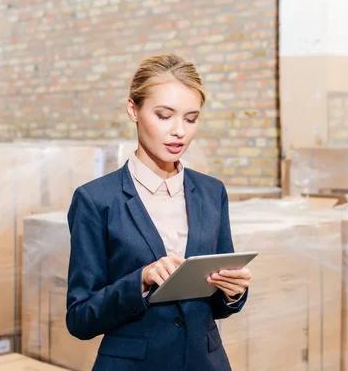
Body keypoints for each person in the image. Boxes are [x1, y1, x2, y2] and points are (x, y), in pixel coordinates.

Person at [65, 54, 252, 371]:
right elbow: (80, 318)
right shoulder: (96, 200)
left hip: (205, 362)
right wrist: (140, 279)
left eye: (191, 119)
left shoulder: (211, 192)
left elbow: (214, 305)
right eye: (164, 115)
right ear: (133, 110)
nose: (179, 131)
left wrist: (233, 293)